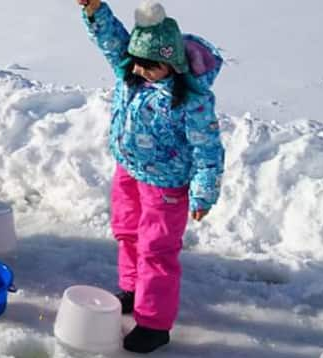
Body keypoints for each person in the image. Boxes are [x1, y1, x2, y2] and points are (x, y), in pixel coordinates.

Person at [78, 0, 225, 353]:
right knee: (127, 233)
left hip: (167, 186)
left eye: (151, 65)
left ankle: (155, 324)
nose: (140, 70)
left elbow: (209, 150)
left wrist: (204, 192)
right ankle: (132, 289)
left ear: (172, 63)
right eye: (138, 62)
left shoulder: (191, 101)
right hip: (128, 171)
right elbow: (113, 41)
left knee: (156, 250)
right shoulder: (128, 69)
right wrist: (96, 10)